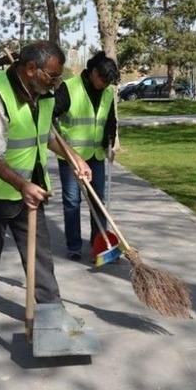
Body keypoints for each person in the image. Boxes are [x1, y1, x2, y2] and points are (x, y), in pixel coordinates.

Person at [0, 40, 92, 351]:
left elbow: (45, 135)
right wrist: (21, 185)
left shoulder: (43, 94)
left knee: (40, 260)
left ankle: (53, 323)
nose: (56, 83)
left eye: (59, 77)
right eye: (52, 76)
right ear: (30, 69)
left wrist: (75, 157)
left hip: (28, 191)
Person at [52, 51, 119, 260]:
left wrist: (110, 141)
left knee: (98, 201)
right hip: (71, 156)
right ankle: (73, 246)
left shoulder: (107, 92)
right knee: (72, 201)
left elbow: (110, 120)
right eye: (103, 80)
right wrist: (60, 140)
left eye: (109, 82)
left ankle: (100, 244)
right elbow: (50, 114)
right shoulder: (70, 88)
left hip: (96, 155)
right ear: (93, 72)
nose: (105, 85)